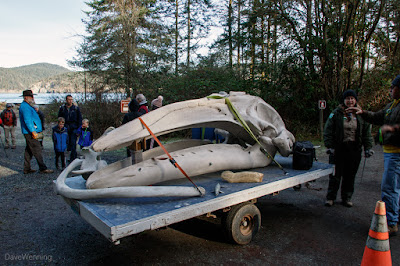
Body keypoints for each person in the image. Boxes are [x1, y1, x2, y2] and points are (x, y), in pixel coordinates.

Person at [347, 75, 400, 236]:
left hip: (396, 154)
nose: (390, 89)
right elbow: (378, 116)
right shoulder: (393, 106)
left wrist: (391, 130)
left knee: (390, 188)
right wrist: (362, 112)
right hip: (390, 153)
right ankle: (394, 218)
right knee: (393, 187)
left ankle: (391, 223)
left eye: (393, 87)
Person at [323, 89, 373, 208]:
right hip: (338, 149)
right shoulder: (336, 113)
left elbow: (367, 133)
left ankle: (347, 197)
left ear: (355, 100)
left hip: (354, 149)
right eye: (347, 99)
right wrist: (330, 146)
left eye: (352, 98)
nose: (350, 101)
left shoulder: (361, 114)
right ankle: (331, 197)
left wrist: (368, 148)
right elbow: (328, 130)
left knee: (350, 175)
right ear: (343, 100)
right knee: (335, 175)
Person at [19, 90, 53, 174]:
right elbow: (27, 120)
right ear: (26, 97)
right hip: (30, 132)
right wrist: (33, 131)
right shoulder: (25, 107)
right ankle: (42, 168)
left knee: (29, 150)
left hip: (30, 131)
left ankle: (26, 168)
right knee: (37, 149)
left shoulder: (26, 106)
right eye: (31, 96)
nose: (33, 98)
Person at [58, 95, 82, 163]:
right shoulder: (62, 108)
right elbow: (59, 117)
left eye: (71, 99)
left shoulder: (75, 108)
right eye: (69, 99)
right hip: (65, 127)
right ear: (66, 100)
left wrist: (79, 129)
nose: (70, 101)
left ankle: (73, 158)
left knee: (73, 142)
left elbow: (79, 119)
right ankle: (68, 156)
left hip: (74, 127)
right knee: (67, 143)